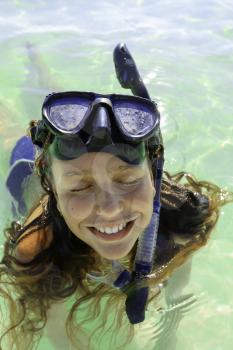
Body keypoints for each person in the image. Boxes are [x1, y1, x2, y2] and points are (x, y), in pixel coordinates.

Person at [0, 43, 232, 350]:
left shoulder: (184, 221)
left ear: (154, 174)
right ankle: (29, 61)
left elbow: (176, 297)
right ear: (53, 189)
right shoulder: (38, 252)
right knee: (10, 130)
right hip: (24, 164)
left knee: (50, 87)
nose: (109, 209)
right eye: (80, 188)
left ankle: (37, 62)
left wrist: (168, 340)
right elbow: (59, 335)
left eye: (127, 179)